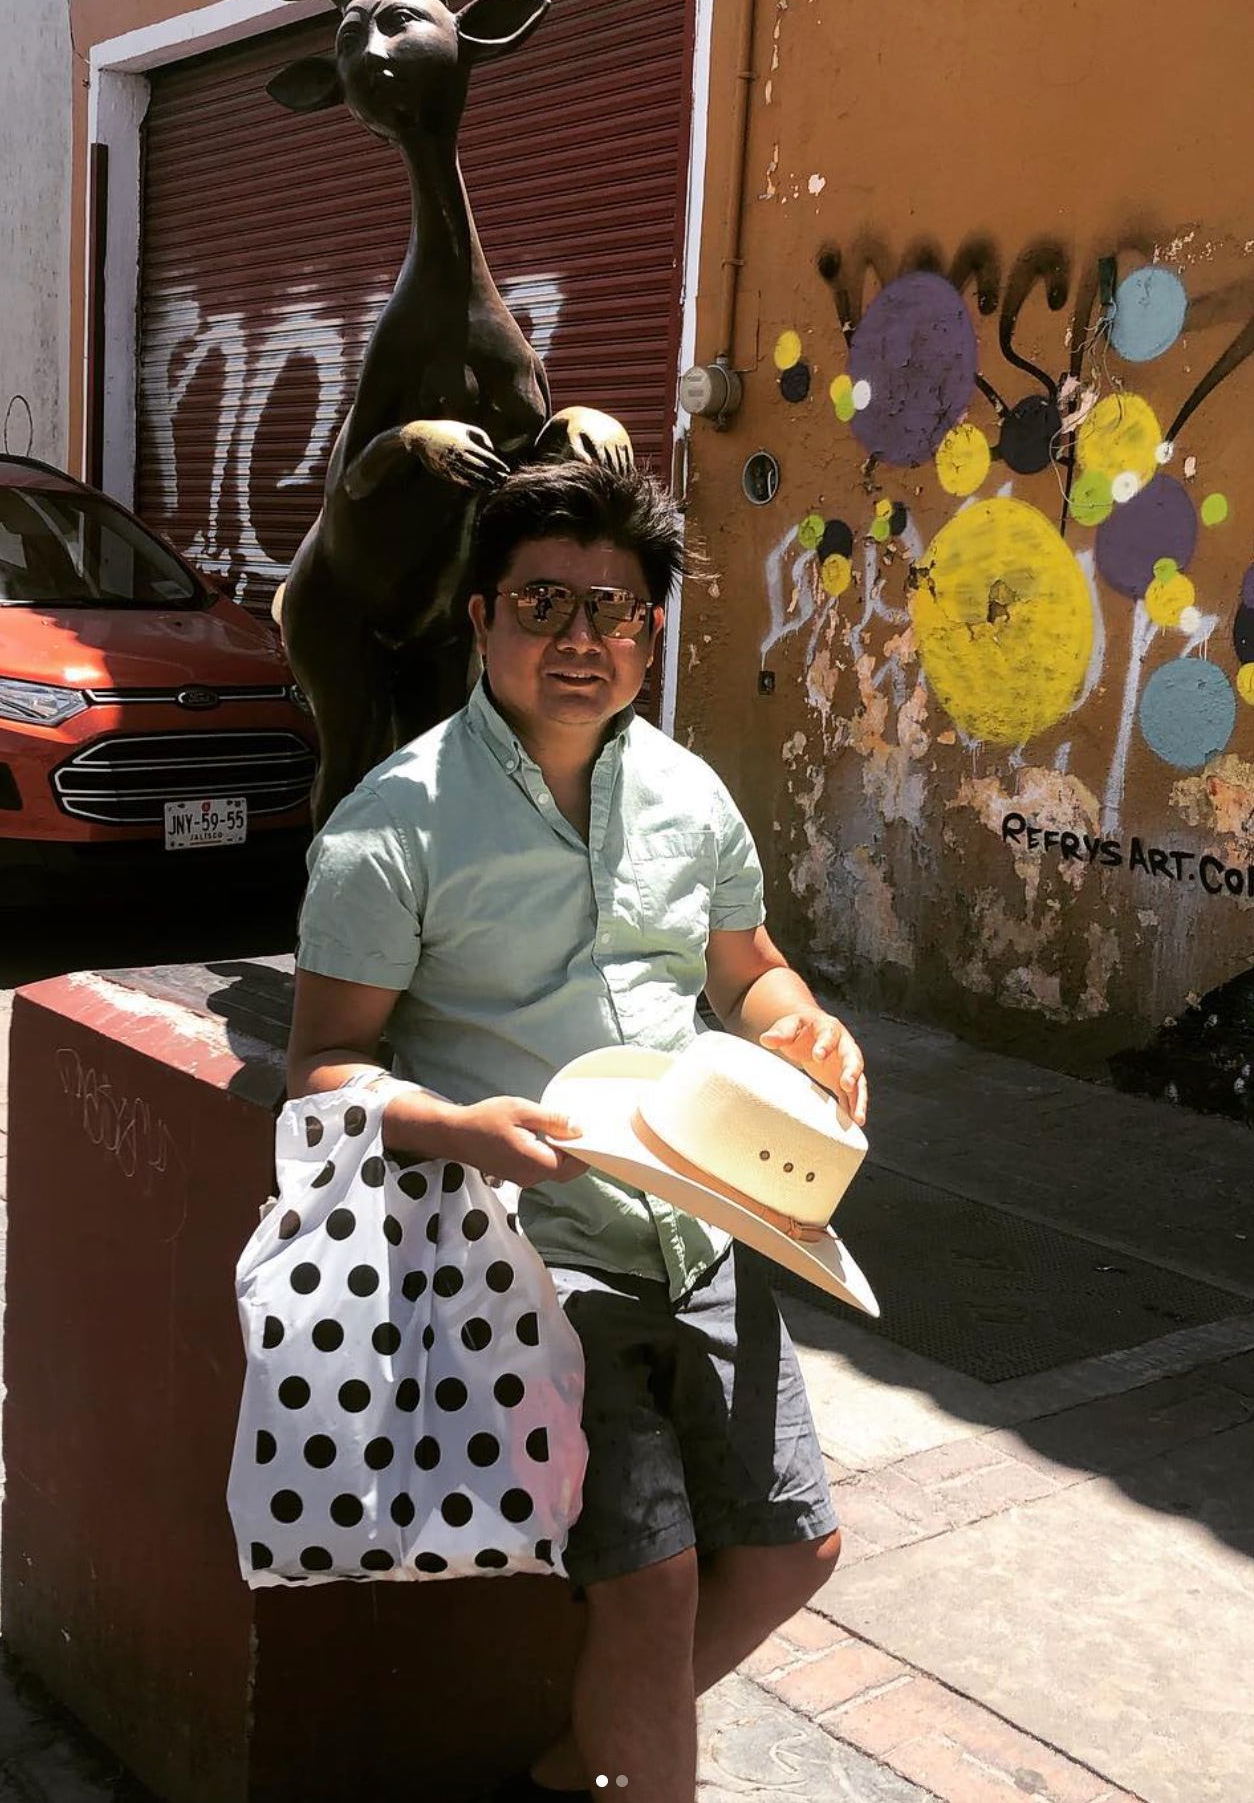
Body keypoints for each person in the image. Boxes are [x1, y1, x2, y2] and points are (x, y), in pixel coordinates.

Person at [285, 459, 869, 1803]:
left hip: (707, 1222)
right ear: (480, 617)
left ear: (652, 639)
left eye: (616, 616)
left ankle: (573, 1767)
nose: (582, 642)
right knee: (652, 1582)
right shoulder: (391, 827)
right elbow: (320, 1067)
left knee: (793, 1553)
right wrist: (457, 1128)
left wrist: (802, 1023)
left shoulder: (689, 797)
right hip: (523, 1254)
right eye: (546, 604)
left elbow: (748, 966)